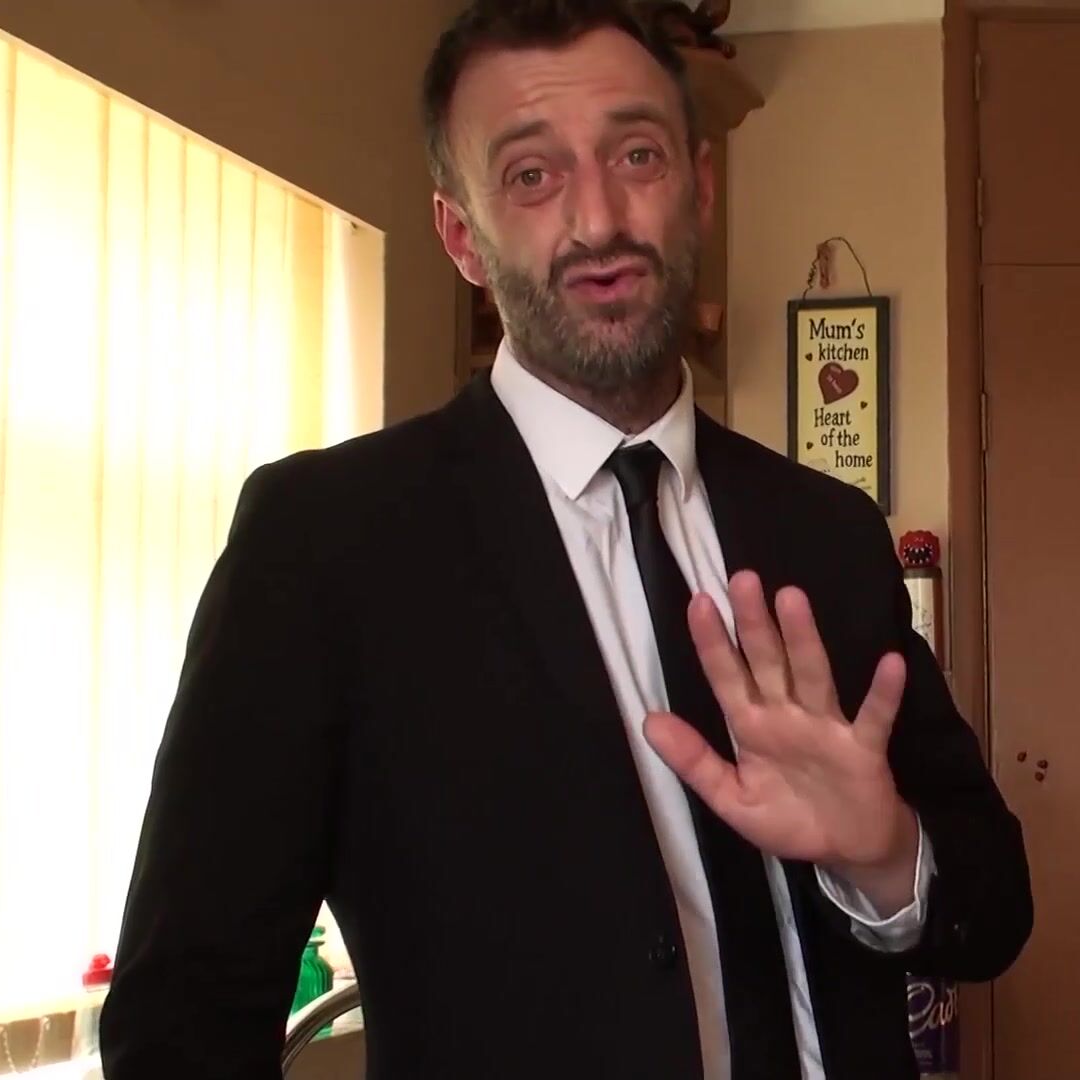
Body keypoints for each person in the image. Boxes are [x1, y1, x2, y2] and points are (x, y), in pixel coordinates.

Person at [97, 0, 1032, 1077]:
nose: (598, 219)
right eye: (532, 174)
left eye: (636, 155)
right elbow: (183, 1016)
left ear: (699, 186)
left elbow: (995, 915)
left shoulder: (827, 531)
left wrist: (885, 854)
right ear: (462, 235)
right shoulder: (324, 547)